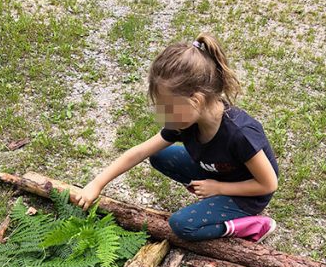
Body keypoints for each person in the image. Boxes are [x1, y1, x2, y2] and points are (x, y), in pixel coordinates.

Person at [76, 32, 279, 242]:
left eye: (169, 109)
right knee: (159, 154)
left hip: (248, 194)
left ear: (196, 101)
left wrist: (219, 188)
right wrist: (97, 183)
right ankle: (216, 200)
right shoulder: (185, 122)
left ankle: (252, 225)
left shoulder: (239, 134)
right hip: (217, 173)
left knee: (182, 226)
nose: (165, 116)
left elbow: (268, 185)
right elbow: (140, 151)